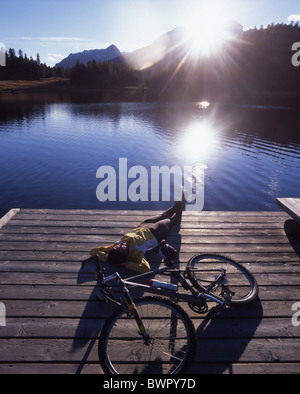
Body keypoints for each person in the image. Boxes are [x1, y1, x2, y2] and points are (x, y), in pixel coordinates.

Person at [89, 200, 185, 274]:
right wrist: (125, 264)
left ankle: (177, 206)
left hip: (142, 226)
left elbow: (93, 251)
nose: (120, 244)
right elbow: (145, 268)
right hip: (156, 232)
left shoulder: (114, 250)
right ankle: (179, 211)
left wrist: (108, 259)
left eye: (117, 246)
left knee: (162, 215)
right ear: (126, 254)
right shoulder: (137, 253)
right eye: (122, 248)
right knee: (170, 221)